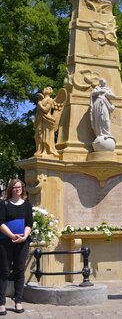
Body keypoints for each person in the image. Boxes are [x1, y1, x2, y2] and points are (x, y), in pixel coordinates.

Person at [0, 179, 33, 315]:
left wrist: (24, 237)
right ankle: (1, 303)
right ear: (10, 189)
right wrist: (12, 236)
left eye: (19, 187)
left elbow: (29, 223)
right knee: (4, 272)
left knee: (19, 271)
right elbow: (0, 222)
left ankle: (18, 301)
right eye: (14, 187)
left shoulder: (27, 205)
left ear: (22, 189)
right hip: (5, 242)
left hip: (22, 242)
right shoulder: (3, 204)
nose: (17, 189)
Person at [34, 86, 65, 157]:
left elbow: (46, 110)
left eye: (47, 89)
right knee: (38, 136)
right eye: (45, 88)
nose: (45, 89)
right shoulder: (41, 100)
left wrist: (39, 104)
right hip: (40, 120)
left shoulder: (50, 100)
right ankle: (40, 150)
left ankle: (46, 151)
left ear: (50, 92)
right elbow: (38, 113)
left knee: (46, 136)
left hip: (47, 120)